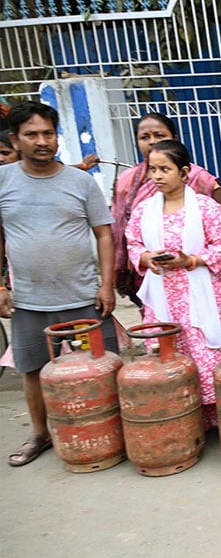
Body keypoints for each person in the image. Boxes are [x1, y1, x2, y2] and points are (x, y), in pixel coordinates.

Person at [0, 101, 118, 466]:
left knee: (103, 365)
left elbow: (104, 235)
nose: (42, 141)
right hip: (30, 300)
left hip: (83, 297)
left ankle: (115, 432)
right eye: (32, 134)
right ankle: (40, 434)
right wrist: (1, 287)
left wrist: (106, 285)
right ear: (16, 140)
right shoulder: (3, 181)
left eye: (48, 133)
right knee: (32, 370)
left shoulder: (80, 182)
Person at [125, 140, 221, 430]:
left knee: (206, 351)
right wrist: (148, 257)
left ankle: (214, 418)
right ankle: (182, 416)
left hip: (200, 294)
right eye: (153, 170)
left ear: (184, 172)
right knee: (169, 351)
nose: (157, 176)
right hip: (163, 296)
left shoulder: (205, 207)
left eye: (165, 169)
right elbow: (133, 244)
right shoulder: (144, 210)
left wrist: (192, 260)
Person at [111, 113, 221, 306]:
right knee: (163, 332)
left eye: (159, 135)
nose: (152, 143)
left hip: (200, 282)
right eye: (144, 137)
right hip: (155, 283)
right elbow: (128, 238)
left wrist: (191, 261)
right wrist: (145, 258)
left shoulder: (201, 185)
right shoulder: (131, 188)